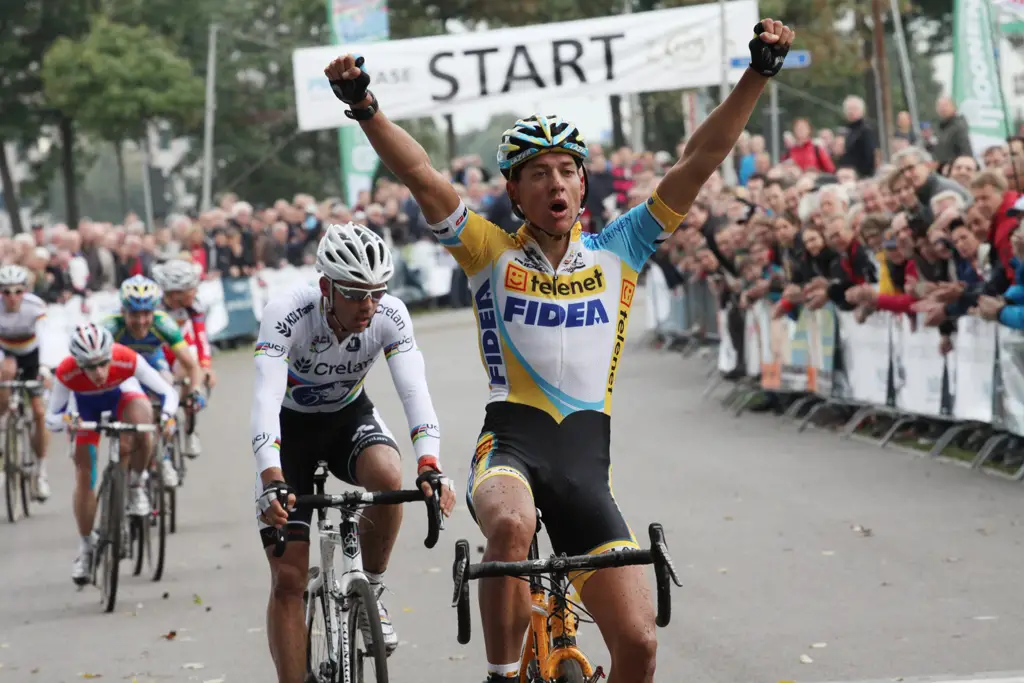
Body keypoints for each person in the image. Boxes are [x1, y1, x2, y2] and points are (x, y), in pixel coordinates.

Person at [324, 16, 794, 683]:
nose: (556, 183)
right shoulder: (488, 250)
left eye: (568, 170)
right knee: (510, 527)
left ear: (583, 184)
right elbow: (421, 173)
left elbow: (701, 159)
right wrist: (366, 109)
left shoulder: (621, 248)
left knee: (639, 645)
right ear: (515, 190)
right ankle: (500, 674)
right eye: (539, 172)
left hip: (583, 466)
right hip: (510, 448)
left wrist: (757, 74)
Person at [251, 222, 456, 683]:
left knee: (388, 474)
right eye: (355, 293)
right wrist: (271, 477)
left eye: (377, 292)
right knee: (288, 577)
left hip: (348, 418)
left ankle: (373, 593)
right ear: (326, 287)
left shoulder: (390, 315)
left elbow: (414, 392)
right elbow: (265, 398)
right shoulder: (287, 312)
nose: (368, 305)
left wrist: (431, 462)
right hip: (291, 430)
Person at [45, 323, 179, 585]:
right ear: (77, 362)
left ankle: (136, 482)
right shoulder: (66, 371)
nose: (98, 372)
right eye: (90, 366)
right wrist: (66, 421)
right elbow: (51, 417)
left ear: (111, 354)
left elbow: (167, 392)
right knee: (85, 473)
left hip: (123, 397)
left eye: (103, 363)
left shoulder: (126, 358)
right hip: (85, 409)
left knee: (143, 422)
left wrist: (167, 416)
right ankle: (85, 546)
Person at [104, 275, 206, 488]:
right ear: (123, 311)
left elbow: (191, 363)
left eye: (146, 314)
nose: (141, 321)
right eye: (134, 314)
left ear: (154, 311)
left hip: (153, 363)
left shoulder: (163, 323)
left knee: (165, 385)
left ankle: (163, 456)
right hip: (123, 369)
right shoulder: (110, 327)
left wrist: (195, 389)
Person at [153, 259, 216, 458]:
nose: (196, 291)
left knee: (189, 370)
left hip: (183, 355)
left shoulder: (194, 307)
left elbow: (201, 338)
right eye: (191, 288)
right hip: (159, 355)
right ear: (175, 293)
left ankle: (190, 429)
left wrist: (206, 366)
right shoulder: (154, 307)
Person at [0, 265, 52, 500]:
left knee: (40, 412)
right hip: (5, 353)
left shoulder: (35, 306)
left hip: (31, 356)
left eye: (17, 291)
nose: (12, 297)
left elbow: (46, 336)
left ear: (25, 291)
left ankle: (40, 471)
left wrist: (44, 367)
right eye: (6, 292)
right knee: (5, 378)